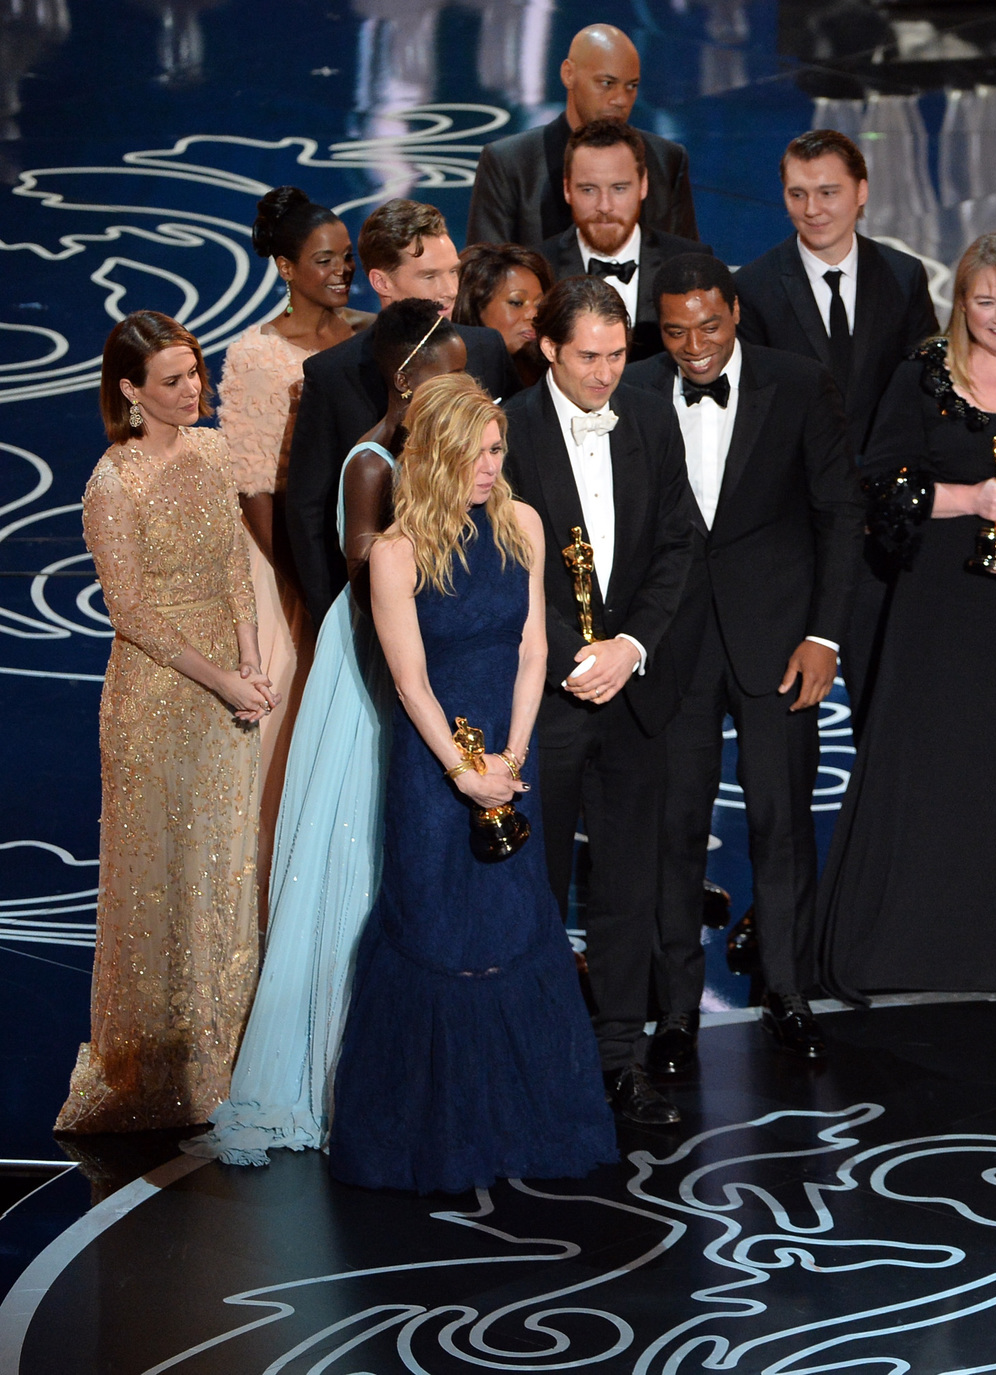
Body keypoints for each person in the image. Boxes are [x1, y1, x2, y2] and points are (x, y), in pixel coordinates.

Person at [184, 303, 466, 1166]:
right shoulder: (372, 465)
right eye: (449, 376)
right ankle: (342, 1067)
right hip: (375, 665)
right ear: (407, 378)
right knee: (357, 847)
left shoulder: (430, 454)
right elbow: (367, 568)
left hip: (412, 653)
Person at [326, 373, 617, 1193]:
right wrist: (463, 773)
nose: (493, 464)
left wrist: (511, 763)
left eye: (497, 449)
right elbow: (411, 682)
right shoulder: (394, 553)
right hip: (431, 769)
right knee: (436, 937)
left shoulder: (521, 523)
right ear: (439, 455)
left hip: (510, 764)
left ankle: (521, 1128)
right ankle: (434, 1140)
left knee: (513, 934)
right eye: (478, 452)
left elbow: (532, 649)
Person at [619, 253, 861, 1063]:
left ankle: (789, 989)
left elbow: (838, 514)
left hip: (780, 640)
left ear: (736, 314)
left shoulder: (797, 383)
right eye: (677, 331)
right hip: (670, 645)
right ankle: (677, 1010)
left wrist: (824, 637)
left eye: (710, 326)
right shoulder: (637, 387)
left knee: (782, 821)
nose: (695, 347)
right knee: (675, 829)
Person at [817, 233, 996, 1001]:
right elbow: (878, 482)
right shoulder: (926, 375)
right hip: (936, 604)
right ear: (962, 303)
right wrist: (965, 500)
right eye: (984, 301)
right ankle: (900, 954)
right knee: (926, 762)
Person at [58, 312, 276, 1134]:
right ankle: (155, 1066)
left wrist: (251, 662)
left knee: (223, 865)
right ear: (130, 392)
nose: (195, 393)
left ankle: (225, 1052)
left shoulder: (215, 452)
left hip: (226, 676)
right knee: (160, 874)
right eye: (175, 382)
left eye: (197, 375)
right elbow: (134, 613)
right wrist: (222, 678)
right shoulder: (112, 487)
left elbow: (231, 563)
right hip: (158, 699)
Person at [503, 277, 699, 1123]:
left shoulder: (651, 415)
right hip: (543, 697)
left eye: (619, 355)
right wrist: (569, 656)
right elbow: (498, 559)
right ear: (549, 348)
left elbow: (679, 541)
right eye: (589, 356)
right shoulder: (503, 429)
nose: (606, 373)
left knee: (629, 883)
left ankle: (620, 1059)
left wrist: (631, 646)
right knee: (533, 886)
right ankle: (533, 1057)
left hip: (633, 691)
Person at [733, 129, 940, 724]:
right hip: (798, 533)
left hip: (886, 531)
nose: (813, 209)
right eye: (798, 194)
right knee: (790, 718)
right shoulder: (754, 287)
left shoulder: (903, 277)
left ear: (862, 192)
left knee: (892, 706)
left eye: (828, 192)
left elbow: (923, 395)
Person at [217, 186, 371, 903]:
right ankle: (281, 901)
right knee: (295, 732)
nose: (342, 271)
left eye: (346, 257)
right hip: (292, 565)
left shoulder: (370, 335)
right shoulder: (254, 355)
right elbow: (253, 487)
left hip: (366, 550)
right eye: (323, 260)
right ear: (285, 266)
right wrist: (307, 586)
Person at [287, 199, 519, 620]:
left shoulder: (486, 350)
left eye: (453, 271)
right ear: (381, 281)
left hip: (485, 596)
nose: (449, 289)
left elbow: (515, 474)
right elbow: (308, 515)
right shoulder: (333, 374)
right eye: (429, 275)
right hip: (382, 608)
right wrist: (337, 622)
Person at [466, 23, 698, 249]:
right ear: (568, 74)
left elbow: (687, 267)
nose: (621, 100)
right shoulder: (509, 164)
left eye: (631, 86)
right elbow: (484, 275)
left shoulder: (667, 160)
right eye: (607, 83)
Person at [538, 118, 712, 362]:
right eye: (588, 189)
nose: (604, 206)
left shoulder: (690, 263)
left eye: (619, 188)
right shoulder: (538, 270)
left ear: (643, 185)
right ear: (567, 189)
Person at [454, 242, 553, 391]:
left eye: (539, 305)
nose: (534, 315)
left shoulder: (549, 380)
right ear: (475, 306)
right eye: (517, 303)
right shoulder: (451, 380)